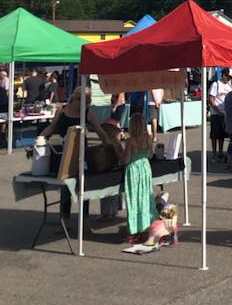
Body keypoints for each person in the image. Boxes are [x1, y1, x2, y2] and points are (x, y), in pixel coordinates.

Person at [41, 86, 112, 219]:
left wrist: (108, 146)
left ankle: (84, 220)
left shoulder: (87, 113)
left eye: (88, 103)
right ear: (76, 99)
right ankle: (64, 220)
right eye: (86, 102)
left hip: (82, 153)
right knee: (66, 188)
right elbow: (51, 127)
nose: (87, 105)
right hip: (64, 152)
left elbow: (99, 131)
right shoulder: (62, 110)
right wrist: (39, 139)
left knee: (83, 187)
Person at [118, 113, 156, 243]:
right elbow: (150, 155)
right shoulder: (148, 138)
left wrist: (119, 152)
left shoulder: (130, 141)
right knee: (146, 198)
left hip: (133, 170)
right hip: (145, 167)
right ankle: (145, 228)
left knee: (133, 200)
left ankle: (133, 231)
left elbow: (126, 159)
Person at [208, 70, 232, 163]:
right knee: (214, 135)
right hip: (216, 114)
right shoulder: (216, 84)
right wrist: (218, 110)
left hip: (226, 114)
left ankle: (220, 152)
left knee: (222, 135)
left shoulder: (229, 86)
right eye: (227, 76)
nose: (228, 78)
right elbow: (211, 99)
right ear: (223, 75)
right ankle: (214, 153)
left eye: (229, 77)